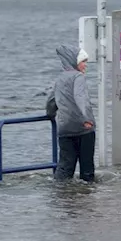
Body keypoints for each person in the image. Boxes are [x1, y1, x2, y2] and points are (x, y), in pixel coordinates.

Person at [49, 44, 95, 182]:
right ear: (74, 62)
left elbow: (51, 101)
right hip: (83, 129)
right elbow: (81, 98)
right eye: (83, 62)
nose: (85, 65)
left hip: (65, 129)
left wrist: (50, 114)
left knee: (65, 167)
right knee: (87, 168)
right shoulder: (78, 77)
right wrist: (87, 119)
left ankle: (61, 196)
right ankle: (86, 197)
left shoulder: (59, 79)